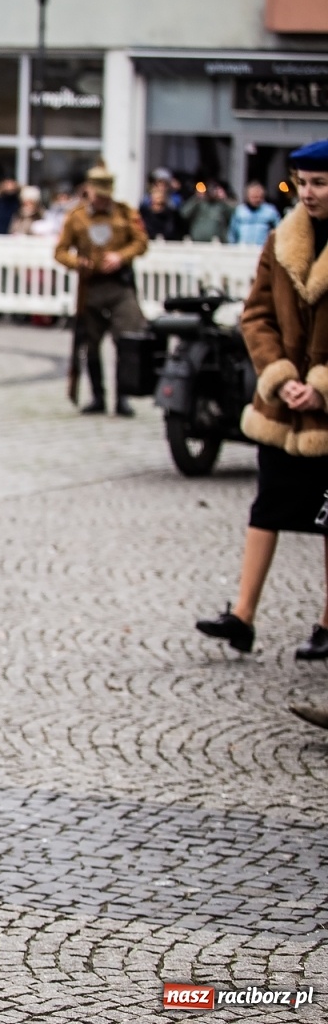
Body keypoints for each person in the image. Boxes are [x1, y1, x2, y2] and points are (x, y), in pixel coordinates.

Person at [197, 142, 328, 674]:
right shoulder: (281, 240)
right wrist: (281, 376)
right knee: (266, 506)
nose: (309, 192)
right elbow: (255, 316)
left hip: (325, 409)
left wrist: (322, 385)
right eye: (302, 182)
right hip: (282, 403)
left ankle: (327, 624)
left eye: (320, 182)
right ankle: (242, 615)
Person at [54, 164, 148, 416]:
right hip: (91, 287)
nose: (103, 199)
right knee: (90, 344)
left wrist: (120, 256)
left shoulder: (125, 214)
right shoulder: (76, 217)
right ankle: (98, 397)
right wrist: (78, 263)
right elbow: (60, 251)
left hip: (119, 286)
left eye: (107, 195)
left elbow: (141, 242)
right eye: (99, 195)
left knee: (126, 339)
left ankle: (123, 398)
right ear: (89, 192)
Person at [230, 180, 283, 246]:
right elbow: (232, 233)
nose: (256, 200)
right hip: (242, 249)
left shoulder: (270, 211)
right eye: (253, 197)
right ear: (247, 197)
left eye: (259, 197)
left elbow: (279, 230)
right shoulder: (240, 211)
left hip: (262, 249)